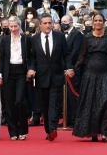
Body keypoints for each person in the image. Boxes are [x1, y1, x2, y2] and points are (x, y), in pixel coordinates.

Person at [72, 14, 107, 142]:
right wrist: (74, 69)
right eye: (96, 21)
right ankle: (93, 131)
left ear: (104, 22)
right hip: (90, 74)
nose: (98, 22)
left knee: (106, 102)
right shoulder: (87, 38)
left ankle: (104, 132)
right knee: (91, 103)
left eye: (100, 20)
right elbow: (82, 56)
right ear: (93, 23)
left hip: (105, 73)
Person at [27, 13, 74, 141]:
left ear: (53, 23)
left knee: (54, 104)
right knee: (45, 105)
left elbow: (67, 55)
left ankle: (53, 129)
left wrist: (69, 68)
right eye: (45, 23)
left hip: (57, 76)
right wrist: (31, 69)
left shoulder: (60, 37)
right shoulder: (34, 39)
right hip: (41, 77)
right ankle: (48, 129)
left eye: (50, 23)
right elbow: (32, 58)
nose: (48, 25)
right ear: (40, 25)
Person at [0, 16, 29, 140]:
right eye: (11, 26)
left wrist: (30, 69)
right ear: (8, 27)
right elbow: (2, 58)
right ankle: (13, 131)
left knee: (19, 101)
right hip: (8, 72)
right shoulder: (4, 40)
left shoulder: (26, 39)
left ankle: (22, 130)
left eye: (16, 26)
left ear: (20, 26)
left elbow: (30, 56)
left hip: (21, 72)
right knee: (9, 103)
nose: (14, 29)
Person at [60, 15, 84, 127]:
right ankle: (67, 119)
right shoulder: (60, 35)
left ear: (71, 22)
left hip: (72, 70)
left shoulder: (77, 35)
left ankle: (75, 120)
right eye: (62, 21)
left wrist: (67, 65)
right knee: (65, 97)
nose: (63, 23)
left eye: (65, 21)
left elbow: (75, 53)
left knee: (72, 96)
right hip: (62, 70)